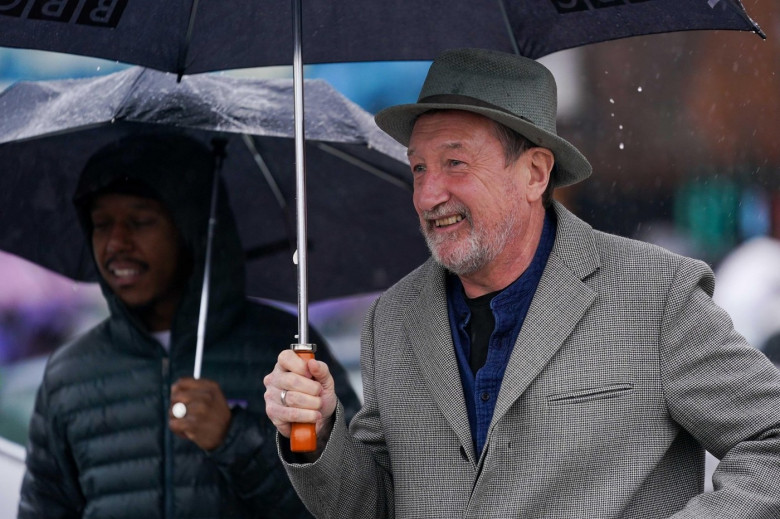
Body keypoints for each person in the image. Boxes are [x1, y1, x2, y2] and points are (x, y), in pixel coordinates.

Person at [263, 48, 780, 517]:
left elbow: (770, 440)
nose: (427, 195)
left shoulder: (657, 295)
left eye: (455, 163)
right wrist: (318, 432)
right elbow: (373, 506)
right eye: (418, 168)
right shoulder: (391, 319)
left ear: (535, 173)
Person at [18, 133, 360, 518]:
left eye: (140, 221)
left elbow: (349, 504)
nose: (116, 243)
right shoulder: (69, 374)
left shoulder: (287, 353)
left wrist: (233, 438)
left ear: (194, 230)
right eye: (100, 224)